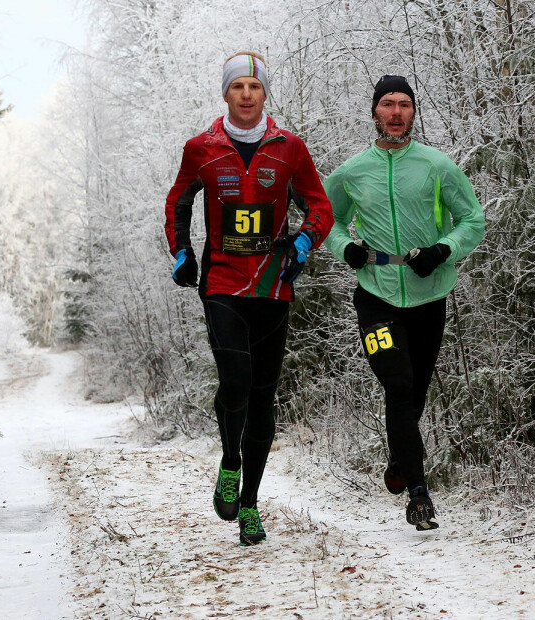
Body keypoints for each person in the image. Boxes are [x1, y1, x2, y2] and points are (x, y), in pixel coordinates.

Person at [163, 52, 332, 546]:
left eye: (254, 88)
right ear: (225, 93)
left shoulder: (290, 148)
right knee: (236, 381)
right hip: (221, 283)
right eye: (237, 86)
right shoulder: (201, 148)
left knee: (262, 396)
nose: (246, 95)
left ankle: (252, 504)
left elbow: (319, 205)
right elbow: (178, 201)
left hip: (273, 284)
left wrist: (304, 240)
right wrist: (181, 252)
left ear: (264, 95)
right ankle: (230, 461)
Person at [323, 75, 485, 530]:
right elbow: (325, 220)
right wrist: (345, 248)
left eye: (404, 104)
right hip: (375, 294)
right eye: (388, 104)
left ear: (414, 112)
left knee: (414, 393)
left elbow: (472, 219)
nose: (396, 113)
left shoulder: (436, 166)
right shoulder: (352, 171)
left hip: (429, 294)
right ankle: (418, 495)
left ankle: (400, 458)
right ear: (374, 111)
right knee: (397, 382)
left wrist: (443, 250)